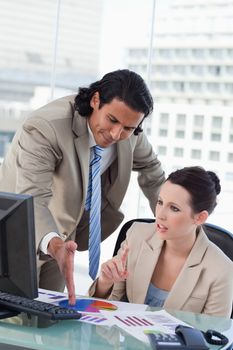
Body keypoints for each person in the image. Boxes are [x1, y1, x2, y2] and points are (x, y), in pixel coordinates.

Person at [0, 69, 165, 304]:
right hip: (15, 237)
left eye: (128, 128)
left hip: (65, 237)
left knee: (49, 320)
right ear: (95, 100)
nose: (117, 134)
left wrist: (171, 220)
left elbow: (153, 172)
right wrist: (53, 243)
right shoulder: (46, 128)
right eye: (112, 120)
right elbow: (33, 197)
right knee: (13, 322)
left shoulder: (130, 132)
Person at [89, 166, 233, 318]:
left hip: (183, 342)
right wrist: (105, 283)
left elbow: (214, 336)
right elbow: (106, 310)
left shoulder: (222, 270)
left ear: (200, 218)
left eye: (174, 208)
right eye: (160, 202)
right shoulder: (137, 235)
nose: (160, 215)